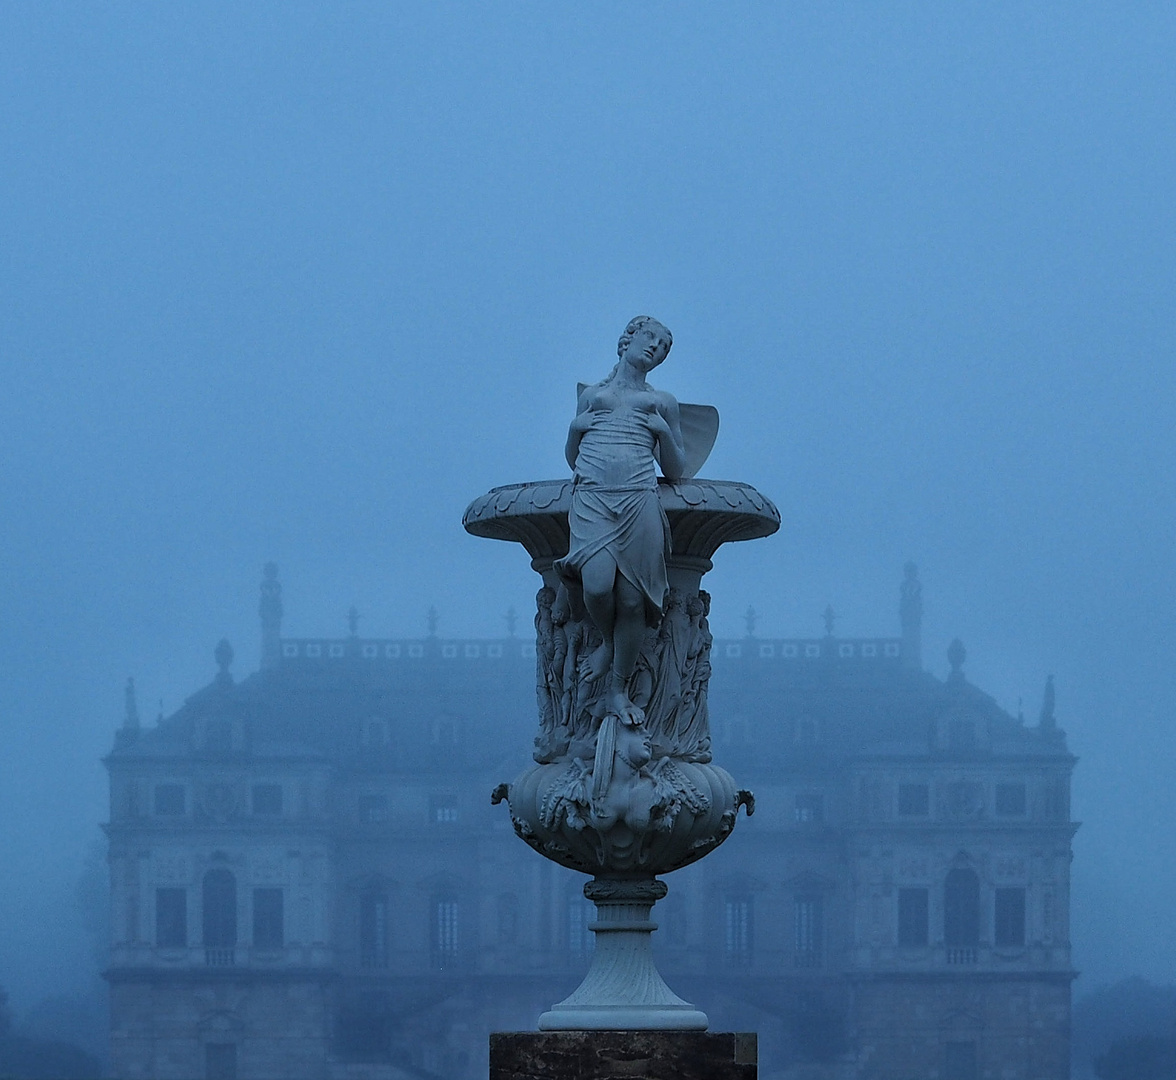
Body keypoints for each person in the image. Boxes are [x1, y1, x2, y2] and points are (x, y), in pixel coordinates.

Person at [554, 316, 686, 725]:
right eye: (651, 338)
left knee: (631, 600)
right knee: (596, 588)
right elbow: (573, 459)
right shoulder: (592, 396)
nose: (655, 348)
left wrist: (663, 432)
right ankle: (612, 644)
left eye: (663, 347)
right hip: (593, 497)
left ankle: (616, 688)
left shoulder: (661, 401)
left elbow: (677, 470)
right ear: (627, 339)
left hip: (638, 499)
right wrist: (574, 430)